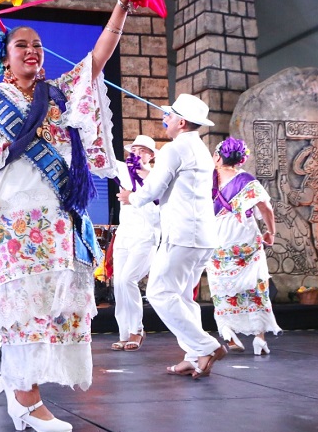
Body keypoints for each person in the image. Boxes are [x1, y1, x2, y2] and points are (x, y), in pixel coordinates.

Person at [0, 0, 146, 432]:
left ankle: (25, 391)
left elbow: (99, 58)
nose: (32, 51)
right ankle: (26, 400)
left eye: (37, 45)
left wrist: (121, 6)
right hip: (14, 217)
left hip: (59, 218)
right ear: (6, 55)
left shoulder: (58, 94)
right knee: (26, 303)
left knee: (59, 303)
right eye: (22, 45)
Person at [118, 93, 225, 379]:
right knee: (182, 296)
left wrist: (131, 197)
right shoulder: (200, 149)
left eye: (169, 115)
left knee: (159, 292)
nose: (164, 118)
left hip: (182, 234)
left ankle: (206, 345)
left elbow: (152, 191)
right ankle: (193, 355)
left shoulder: (174, 149)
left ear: (181, 121)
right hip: (202, 235)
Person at [207, 137, 281, 355]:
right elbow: (266, 208)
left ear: (219, 158)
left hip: (217, 240)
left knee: (220, 288)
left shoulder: (207, 181)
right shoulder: (247, 181)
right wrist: (271, 232)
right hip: (244, 239)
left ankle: (228, 334)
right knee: (255, 287)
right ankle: (259, 339)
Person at [111, 135, 160, 351]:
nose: (136, 153)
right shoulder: (123, 171)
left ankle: (137, 330)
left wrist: (133, 197)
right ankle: (124, 333)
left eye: (142, 150)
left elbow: (161, 210)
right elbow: (101, 161)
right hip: (125, 235)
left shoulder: (159, 177)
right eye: (134, 149)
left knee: (128, 280)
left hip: (146, 235)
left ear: (151, 155)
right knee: (118, 284)